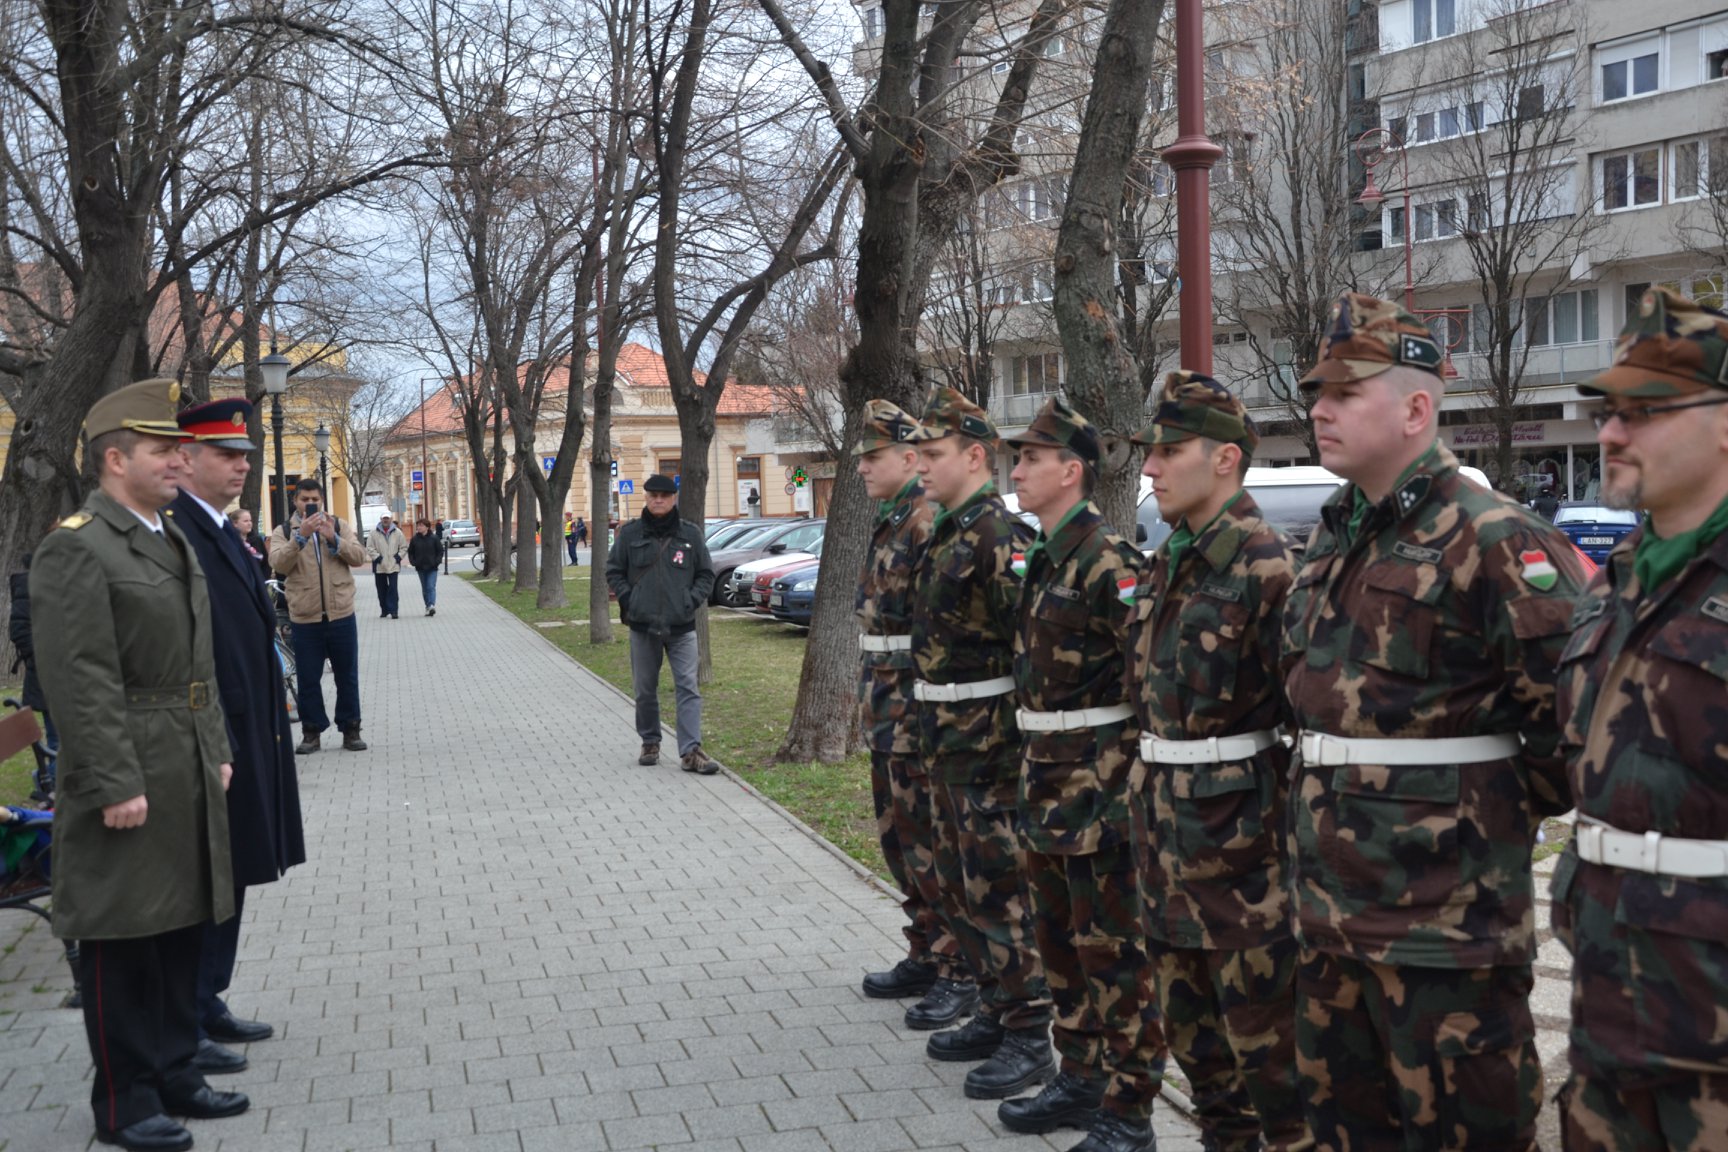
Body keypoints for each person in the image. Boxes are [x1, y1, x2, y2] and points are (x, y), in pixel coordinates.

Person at [1280, 293, 1587, 1149]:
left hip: (1445, 933)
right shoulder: (1335, 537)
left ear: (1416, 409)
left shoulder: (1496, 539)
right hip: (1330, 915)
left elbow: (1568, 733)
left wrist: (1467, 818)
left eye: (1345, 393)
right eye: (1318, 394)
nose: (1320, 410)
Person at [32, 377, 249, 1152]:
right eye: (163, 450)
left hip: (184, 761)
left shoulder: (167, 536)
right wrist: (113, 779)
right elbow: (79, 677)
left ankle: (176, 1069)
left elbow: (198, 667)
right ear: (115, 459)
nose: (179, 462)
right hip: (128, 765)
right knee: (124, 937)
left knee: (182, 923)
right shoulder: (78, 544)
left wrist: (215, 751)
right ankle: (125, 1101)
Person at [1549, 287, 1728, 1149]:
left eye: (1645, 411)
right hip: (1608, 1009)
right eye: (1608, 412)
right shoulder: (1617, 578)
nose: (1611, 434)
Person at [1128, 374, 1309, 1152]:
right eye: (1150, 451)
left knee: (1274, 1066)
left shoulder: (1269, 568)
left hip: (1245, 867)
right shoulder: (1170, 560)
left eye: (1169, 451)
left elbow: (1307, 727)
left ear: (1225, 458)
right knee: (1200, 1056)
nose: (1150, 468)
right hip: (1166, 850)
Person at [1000, 397, 1163, 1152]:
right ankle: (1081, 1077)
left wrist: (1127, 787)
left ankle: (1130, 1113)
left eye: (1031, 459)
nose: (1017, 471)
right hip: (1045, 782)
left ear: (1072, 471)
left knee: (1114, 955)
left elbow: (1146, 685)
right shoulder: (1043, 555)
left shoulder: (1110, 562)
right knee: (1060, 944)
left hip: (1099, 793)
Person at [908, 386, 1051, 1100]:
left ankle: (1029, 1032)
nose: (920, 465)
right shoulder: (948, 531)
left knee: (1000, 890)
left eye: (933, 453)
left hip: (989, 749)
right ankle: (996, 1007)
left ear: (974, 457)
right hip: (946, 743)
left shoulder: (1000, 538)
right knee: (961, 887)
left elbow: (1029, 648)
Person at [169, 399, 308, 1079]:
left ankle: (207, 998)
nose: (243, 466)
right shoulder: (179, 531)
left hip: (248, 724)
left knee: (237, 865)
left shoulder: (217, 527)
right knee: (210, 874)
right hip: (214, 732)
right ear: (186, 458)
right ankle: (187, 1013)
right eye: (226, 455)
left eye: (245, 455)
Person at [853, 400, 968, 1022]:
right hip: (885, 706)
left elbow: (936, 631)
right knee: (900, 842)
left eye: (873, 457)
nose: (862, 468)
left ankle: (958, 967)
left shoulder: (925, 522)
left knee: (929, 843)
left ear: (906, 457)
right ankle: (924, 950)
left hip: (915, 709)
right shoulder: (892, 520)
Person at [605, 473, 720, 774]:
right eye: (653, 495)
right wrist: (631, 599)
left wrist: (689, 601)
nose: (658, 500)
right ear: (646, 497)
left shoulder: (690, 534)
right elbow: (614, 570)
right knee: (645, 690)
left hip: (682, 626)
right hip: (643, 626)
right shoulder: (630, 533)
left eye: (664, 496)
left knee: (688, 687)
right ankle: (650, 742)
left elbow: (705, 574)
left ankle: (691, 751)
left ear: (673, 498)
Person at [270, 478, 369, 754]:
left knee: (347, 676)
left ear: (322, 500)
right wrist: (299, 537)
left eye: (315, 499)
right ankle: (311, 733)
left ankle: (351, 730)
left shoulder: (338, 525)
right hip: (305, 616)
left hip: (341, 613)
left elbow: (359, 557)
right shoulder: (283, 531)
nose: (310, 504)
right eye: (305, 499)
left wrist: (334, 538)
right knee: (308, 679)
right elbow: (278, 564)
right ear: (295, 501)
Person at [8, 550, 56, 799]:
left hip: (70, 675)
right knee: (59, 739)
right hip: (48, 675)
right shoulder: (29, 586)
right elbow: (19, 630)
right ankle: (51, 790)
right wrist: (44, 662)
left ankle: (49, 783)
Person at [365, 513, 407, 620]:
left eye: (387, 518)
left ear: (391, 519)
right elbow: (369, 548)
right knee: (381, 589)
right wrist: (378, 558)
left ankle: (394, 611)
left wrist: (398, 557)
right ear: (381, 519)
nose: (386, 520)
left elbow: (404, 547)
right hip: (379, 566)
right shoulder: (373, 533)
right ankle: (384, 610)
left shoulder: (398, 532)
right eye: (384, 518)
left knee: (393, 589)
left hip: (393, 565)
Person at [408, 518, 443, 616]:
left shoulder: (434, 538)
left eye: (421, 525)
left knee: (430, 586)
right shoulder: (414, 539)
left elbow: (440, 551)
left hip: (432, 567)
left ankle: (431, 605)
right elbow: (410, 552)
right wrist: (413, 562)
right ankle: (427, 606)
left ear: (427, 527)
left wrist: (437, 562)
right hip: (420, 567)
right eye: (418, 525)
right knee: (424, 588)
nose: (419, 527)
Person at [230, 508, 272, 585]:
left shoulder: (257, 540)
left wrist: (262, 581)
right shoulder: (230, 541)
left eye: (250, 520)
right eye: (245, 521)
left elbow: (265, 563)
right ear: (235, 523)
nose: (249, 523)